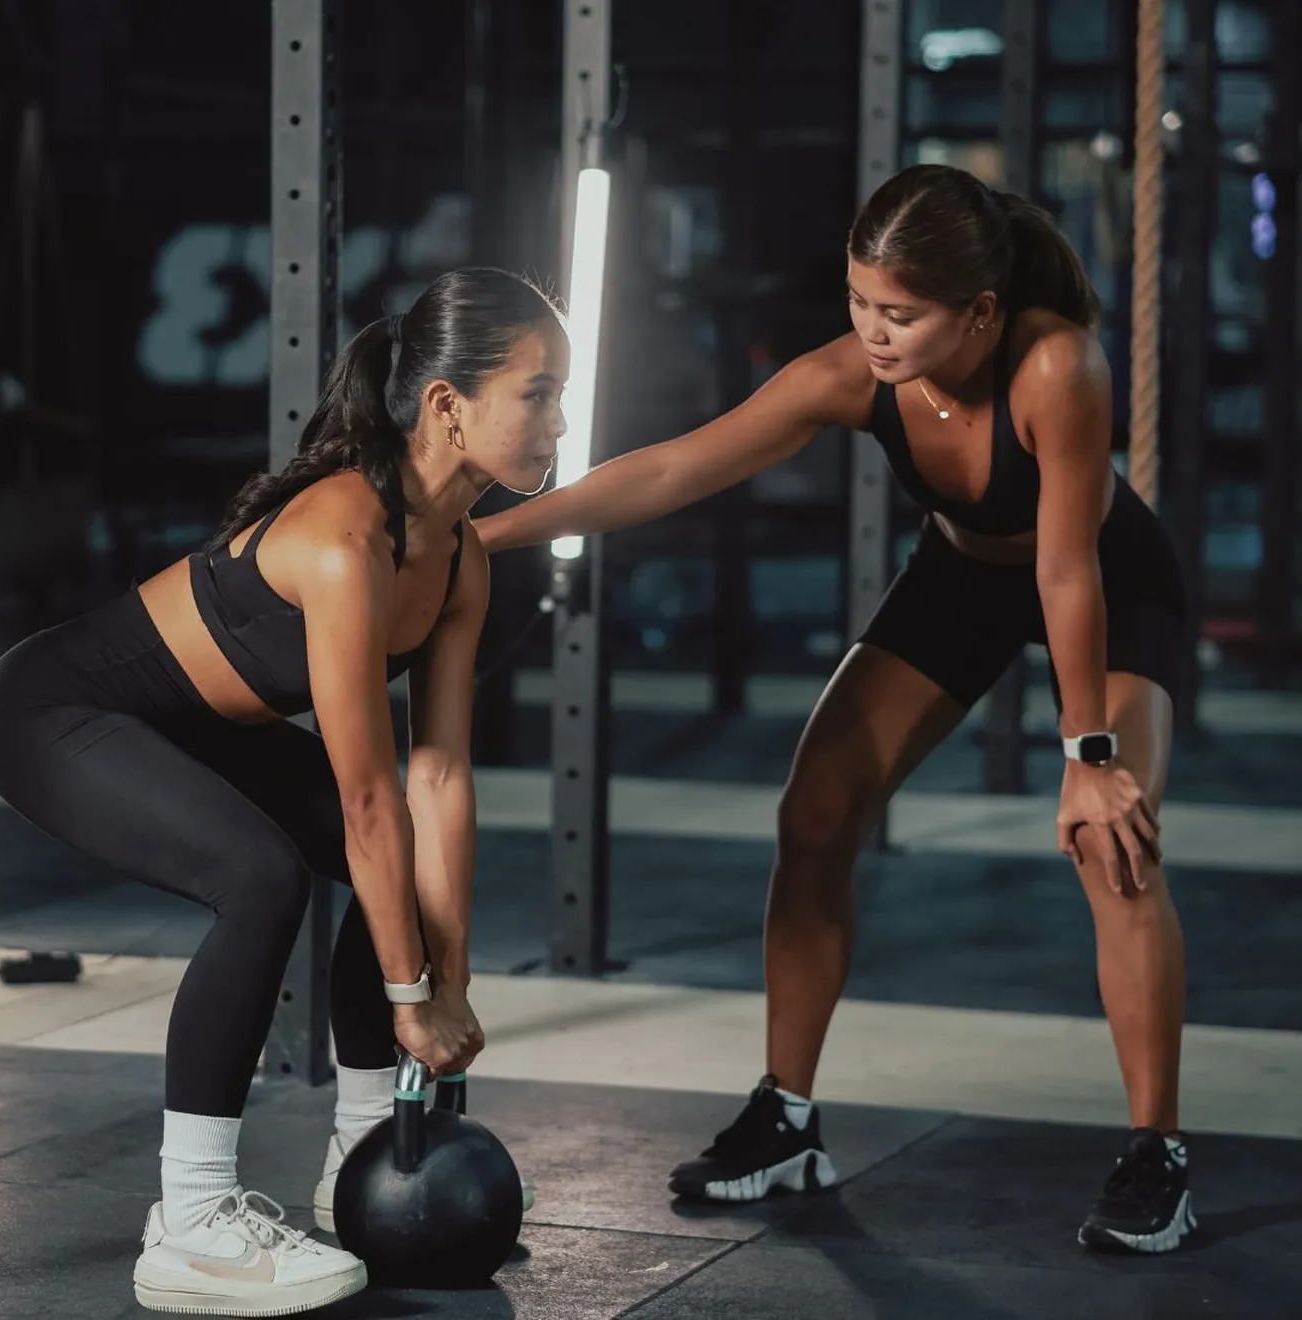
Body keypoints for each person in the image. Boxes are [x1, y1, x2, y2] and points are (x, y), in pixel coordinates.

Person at [474, 164, 1195, 1254]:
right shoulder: (853, 375)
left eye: (900, 314)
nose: (875, 332)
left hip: (1106, 580)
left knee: (1114, 842)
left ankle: (1159, 1156)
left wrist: (1088, 752)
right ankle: (787, 1121)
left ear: (980, 313)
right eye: (859, 303)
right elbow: (672, 470)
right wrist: (479, 536)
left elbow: (1067, 571)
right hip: (960, 581)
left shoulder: (1060, 366)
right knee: (813, 812)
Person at [0, 267, 565, 1315]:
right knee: (263, 878)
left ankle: (370, 1161)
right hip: (51, 712)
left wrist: (450, 978)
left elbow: (441, 776)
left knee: (394, 883)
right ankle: (191, 1221)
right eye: (539, 392)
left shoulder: (463, 559)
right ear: (445, 405)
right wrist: (410, 996)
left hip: (192, 723)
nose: (562, 418)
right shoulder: (344, 540)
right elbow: (373, 794)